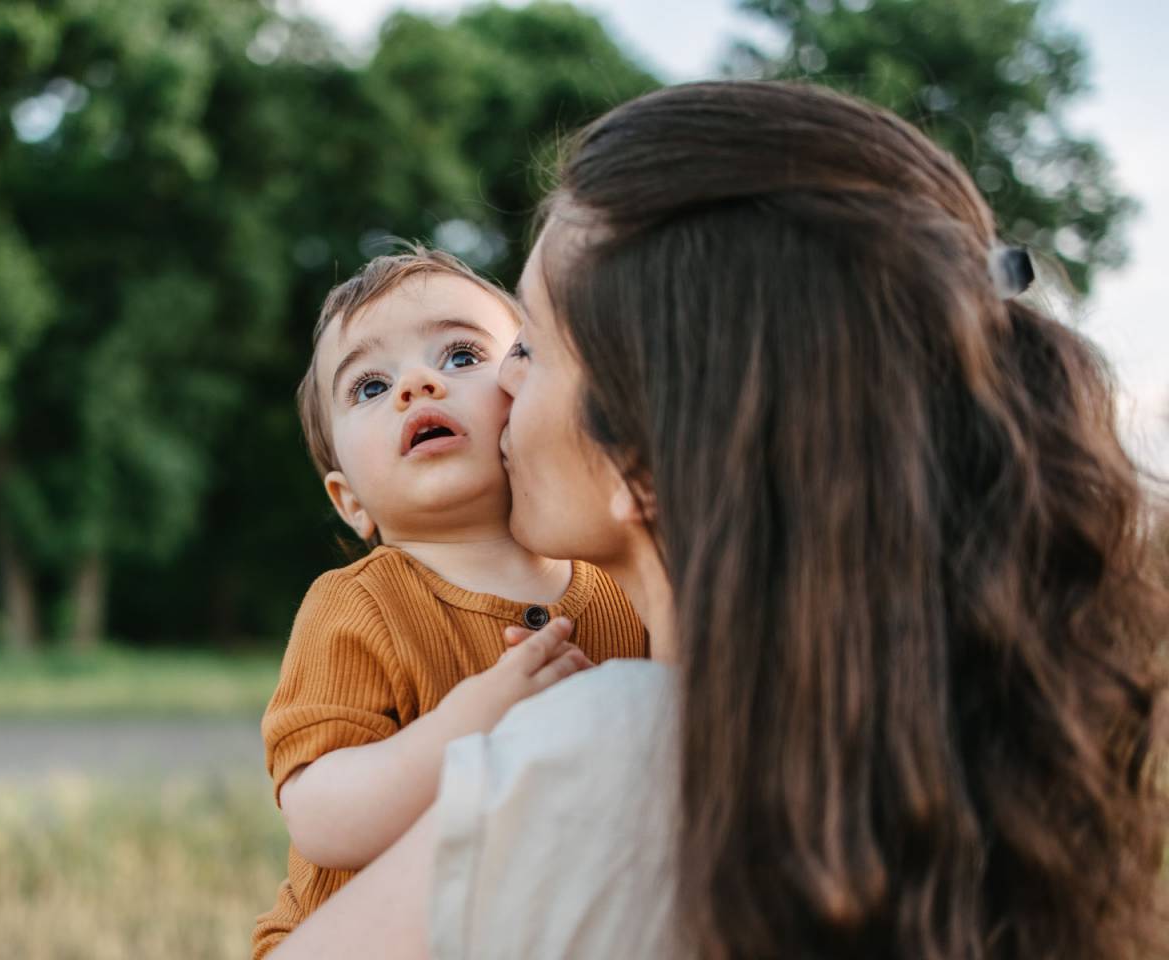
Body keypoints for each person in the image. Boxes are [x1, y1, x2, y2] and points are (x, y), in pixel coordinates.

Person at [272, 81, 1167, 959]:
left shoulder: (602, 750)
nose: (490, 387)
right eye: (374, 384)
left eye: (525, 351)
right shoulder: (924, 733)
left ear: (643, 459)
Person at [251, 247, 648, 958]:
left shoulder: (615, 586)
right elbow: (319, 816)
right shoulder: (358, 606)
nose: (418, 385)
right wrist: (464, 726)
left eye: (462, 356)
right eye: (369, 386)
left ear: (525, 385)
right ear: (350, 502)